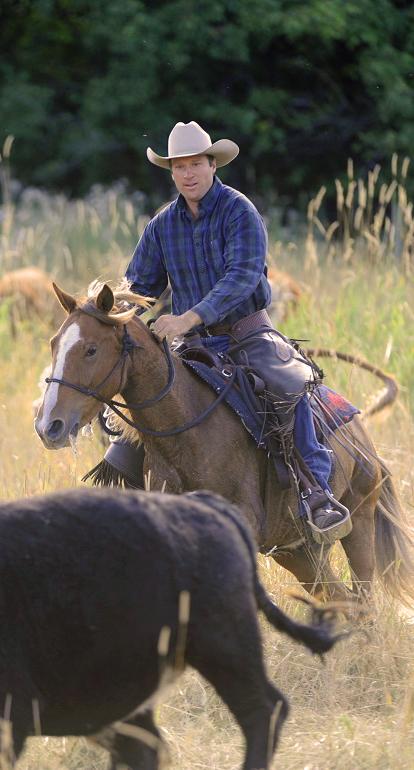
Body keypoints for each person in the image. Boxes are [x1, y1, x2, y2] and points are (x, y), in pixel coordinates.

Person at [122, 120, 350, 539]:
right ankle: (133, 508)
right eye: (178, 167)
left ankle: (316, 492)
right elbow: (139, 286)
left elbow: (242, 276)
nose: (187, 174)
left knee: (287, 386)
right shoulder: (161, 226)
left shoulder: (239, 211)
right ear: (170, 172)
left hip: (247, 332)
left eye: (195, 164)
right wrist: (107, 311)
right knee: (136, 401)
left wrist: (189, 317)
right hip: (190, 345)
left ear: (213, 164)